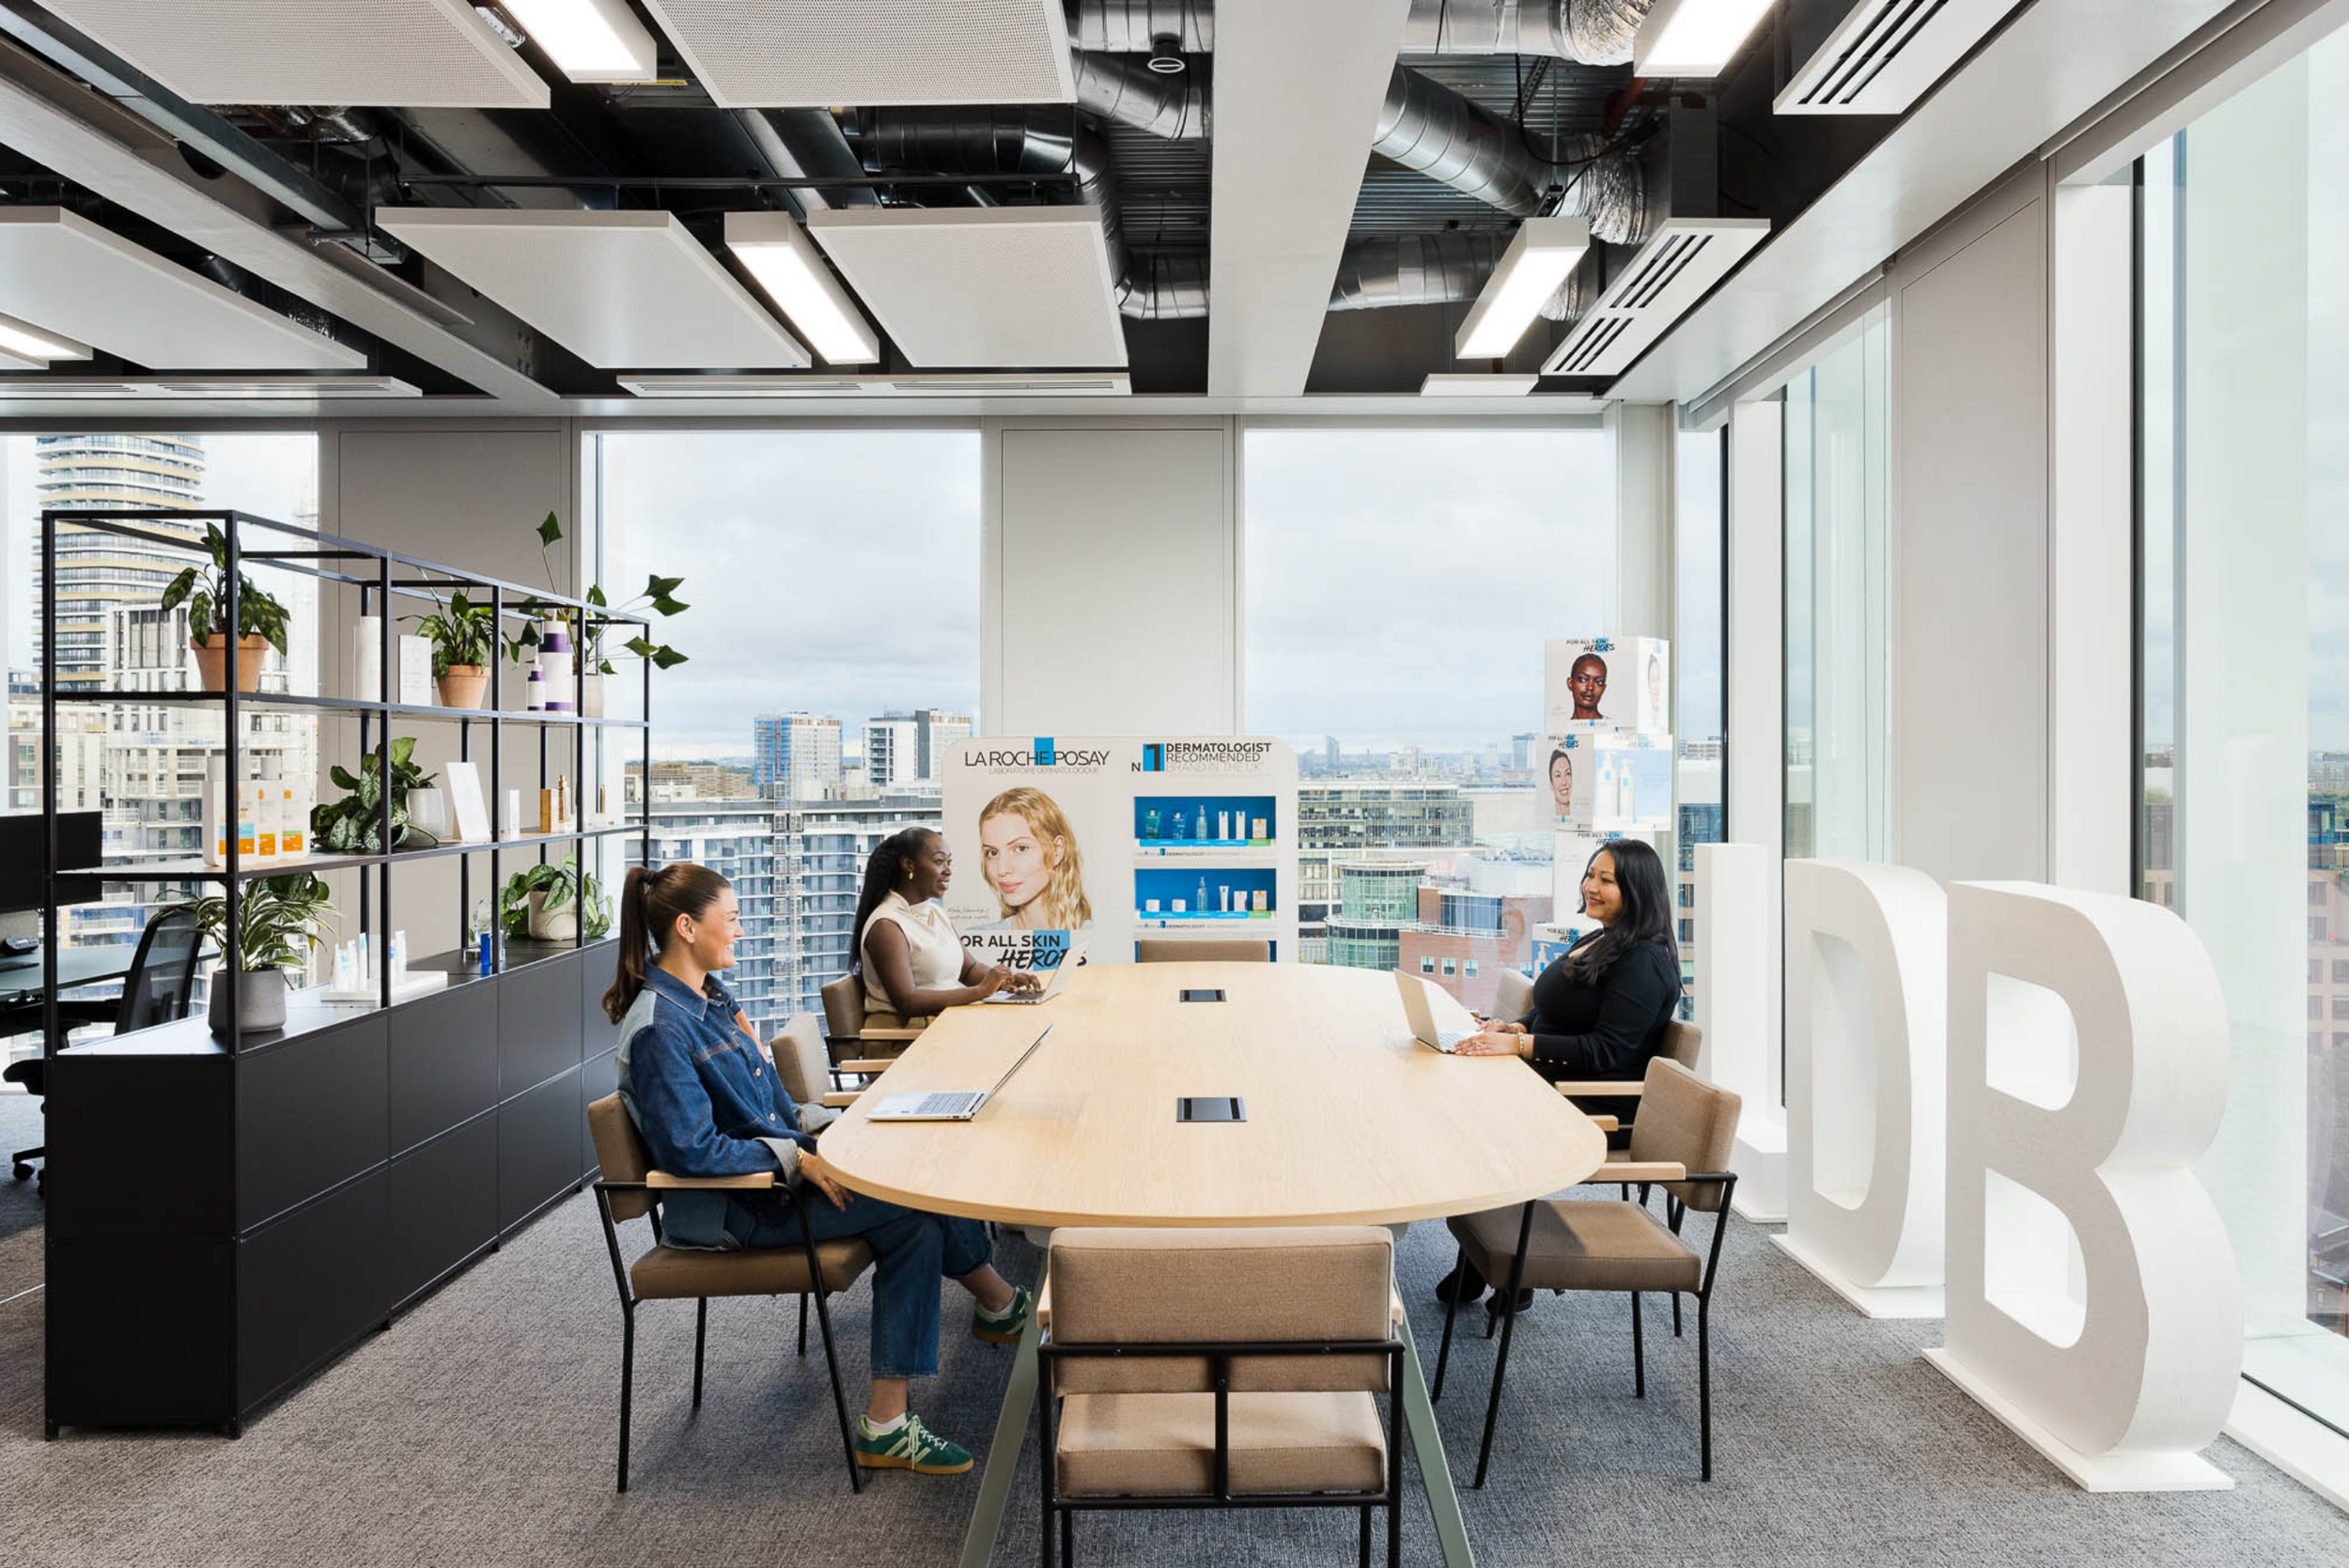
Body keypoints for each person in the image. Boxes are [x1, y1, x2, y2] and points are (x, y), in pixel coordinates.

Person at [607, 861, 1034, 1477]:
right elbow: (690, 1153)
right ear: (686, 927)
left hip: (778, 1181)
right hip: (737, 1207)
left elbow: (773, 1105)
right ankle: (998, 1302)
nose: (741, 931)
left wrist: (824, 1138)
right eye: (730, 919)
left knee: (911, 1215)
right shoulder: (660, 1029)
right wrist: (798, 1157)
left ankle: (887, 1424)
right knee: (916, 1192)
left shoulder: (711, 1000)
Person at [1440, 838, 1683, 1309]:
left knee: (1478, 1120)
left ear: (1638, 890)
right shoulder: (1603, 937)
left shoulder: (1645, 963)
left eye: (1606, 880)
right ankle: (1482, 1256)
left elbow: (1605, 1051)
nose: (1591, 886)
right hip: (1556, 1079)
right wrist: (1516, 1026)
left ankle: (1506, 1266)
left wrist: (1521, 1045)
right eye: (1591, 875)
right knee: (1465, 1095)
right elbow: (1554, 1009)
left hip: (1596, 1102)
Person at [856, 825, 1041, 1018]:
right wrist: (981, 991)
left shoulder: (936, 913)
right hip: (906, 1038)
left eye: (949, 862)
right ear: (909, 865)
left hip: (944, 1023)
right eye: (939, 861)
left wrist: (1003, 982)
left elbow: (969, 970)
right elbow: (908, 1002)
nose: (948, 870)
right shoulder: (887, 924)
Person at [975, 785, 1093, 932]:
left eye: (1020, 848)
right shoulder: (977, 941)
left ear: (1057, 851)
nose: (1002, 869)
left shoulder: (1095, 938)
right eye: (992, 853)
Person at [1565, 652, 1610, 722]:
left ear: (1603, 689)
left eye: (1599, 682)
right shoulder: (1561, 729)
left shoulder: (1612, 727)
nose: (1590, 687)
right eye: (1583, 679)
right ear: (1570, 683)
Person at [1548, 747, 1576, 820]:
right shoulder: (1545, 821)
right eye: (1558, 775)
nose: (1564, 782)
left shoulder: (1581, 819)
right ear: (1551, 784)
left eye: (1568, 773)